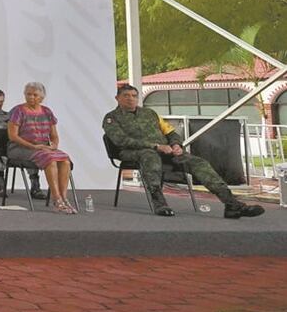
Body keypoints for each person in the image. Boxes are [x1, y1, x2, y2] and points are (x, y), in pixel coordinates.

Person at [102, 85, 264, 219]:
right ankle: (159, 203)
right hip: (131, 153)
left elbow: (170, 132)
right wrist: (155, 146)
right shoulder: (111, 118)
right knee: (149, 155)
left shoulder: (150, 113)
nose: (131, 98)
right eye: (126, 95)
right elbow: (121, 141)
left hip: (165, 151)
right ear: (117, 98)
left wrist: (176, 144)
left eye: (134, 95)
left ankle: (232, 205)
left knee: (198, 162)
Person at [6, 82, 76, 213]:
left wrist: (54, 146)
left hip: (43, 148)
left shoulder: (47, 112)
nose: (31, 97)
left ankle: (64, 197)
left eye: (35, 95)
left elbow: (54, 135)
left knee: (65, 160)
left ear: (42, 97)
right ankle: (56, 199)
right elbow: (13, 136)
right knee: (50, 159)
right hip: (19, 148)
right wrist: (33, 146)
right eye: (28, 94)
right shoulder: (17, 111)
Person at [0, 88, 45, 199]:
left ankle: (35, 186)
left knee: (28, 151)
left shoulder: (8, 115)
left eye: (1, 102)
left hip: (6, 145)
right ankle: (1, 185)